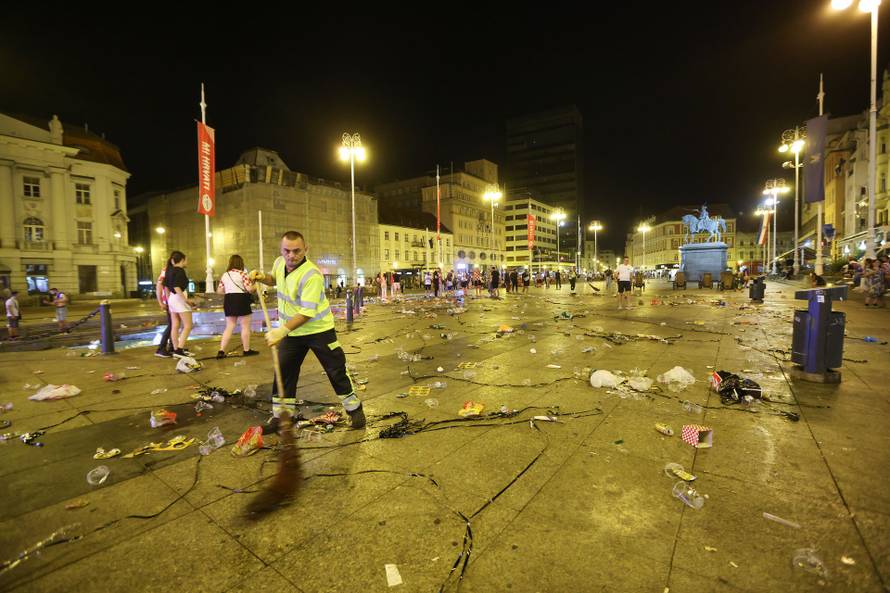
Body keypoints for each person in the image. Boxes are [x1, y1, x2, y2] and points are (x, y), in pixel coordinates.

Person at [249, 231, 365, 431]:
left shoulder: (312, 275)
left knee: (336, 369)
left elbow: (307, 313)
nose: (291, 255)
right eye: (287, 251)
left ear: (306, 249)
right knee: (283, 371)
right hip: (293, 333)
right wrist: (262, 278)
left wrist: (280, 331)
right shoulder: (279, 263)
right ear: (281, 250)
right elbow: (275, 279)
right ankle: (283, 416)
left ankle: (354, 409)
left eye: (296, 251)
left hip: (318, 331)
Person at [216, 254, 259, 359]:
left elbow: (219, 291)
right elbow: (249, 289)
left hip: (229, 300)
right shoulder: (243, 274)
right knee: (245, 326)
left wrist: (230, 290)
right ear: (241, 263)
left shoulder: (225, 275)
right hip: (241, 300)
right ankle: (246, 350)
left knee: (229, 326)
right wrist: (255, 286)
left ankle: (221, 351)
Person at [164, 251, 195, 356]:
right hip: (179, 298)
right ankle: (179, 349)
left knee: (175, 325)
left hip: (172, 299)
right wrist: (186, 300)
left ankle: (176, 348)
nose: (187, 262)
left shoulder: (169, 271)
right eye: (186, 260)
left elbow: (166, 288)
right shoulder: (180, 271)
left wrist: (168, 301)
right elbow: (177, 287)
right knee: (188, 325)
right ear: (182, 260)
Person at [155, 266, 174, 357]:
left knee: (174, 325)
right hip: (169, 303)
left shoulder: (165, 276)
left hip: (171, 303)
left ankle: (172, 346)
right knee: (171, 325)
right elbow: (159, 288)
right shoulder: (164, 275)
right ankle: (161, 348)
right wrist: (161, 303)